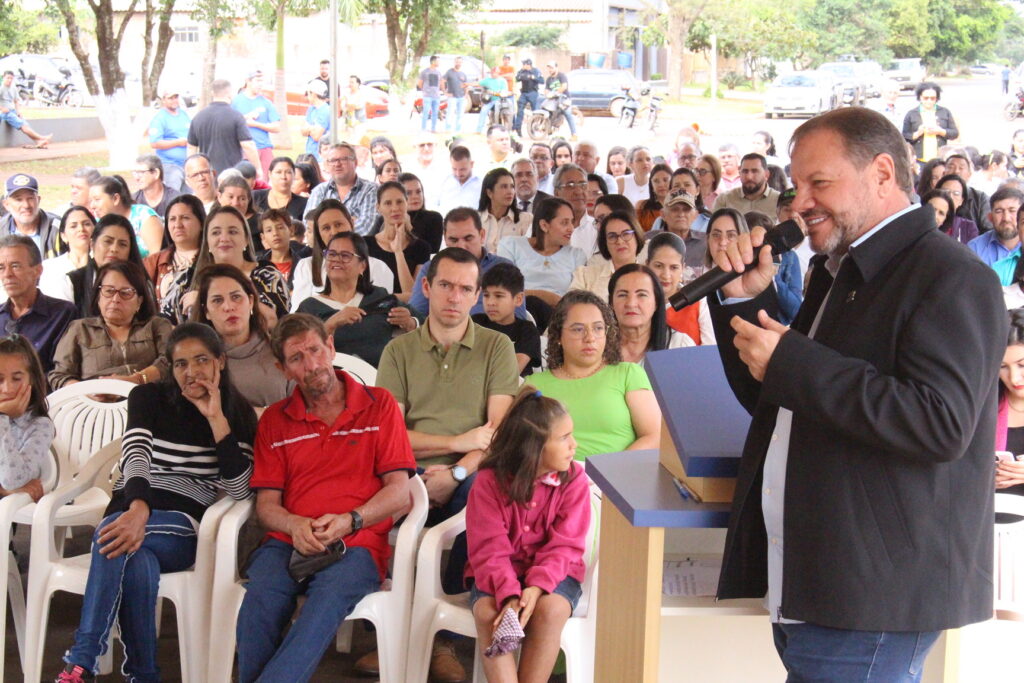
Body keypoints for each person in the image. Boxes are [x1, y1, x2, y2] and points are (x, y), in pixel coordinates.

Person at [707, 106, 1005, 680]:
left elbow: (940, 422)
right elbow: (782, 400)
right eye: (797, 186)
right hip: (818, 581)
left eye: (820, 182)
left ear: (883, 174)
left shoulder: (952, 277)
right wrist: (746, 302)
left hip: (873, 595)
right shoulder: (838, 269)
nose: (801, 203)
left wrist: (795, 361)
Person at [52, 322, 256, 683]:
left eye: (201, 360)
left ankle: (83, 659)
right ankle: (143, 675)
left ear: (220, 362)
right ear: (170, 368)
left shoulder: (238, 414)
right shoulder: (148, 399)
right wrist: (138, 508)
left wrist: (216, 419)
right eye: (180, 364)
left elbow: (240, 490)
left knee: (109, 539)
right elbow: (135, 457)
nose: (191, 372)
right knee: (135, 559)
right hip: (133, 505)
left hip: (181, 524)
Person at [236, 313, 414, 683]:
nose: (312, 364)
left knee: (325, 602)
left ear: (331, 348)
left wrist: (351, 520)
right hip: (287, 541)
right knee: (260, 601)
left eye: (315, 350)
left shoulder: (379, 405)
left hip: (357, 542)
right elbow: (267, 506)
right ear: (283, 369)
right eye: (297, 358)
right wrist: (295, 524)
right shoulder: (274, 420)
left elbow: (399, 492)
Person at [374, 247, 517, 682]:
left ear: (476, 295)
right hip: (407, 469)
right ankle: (394, 627)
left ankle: (441, 640)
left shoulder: (497, 346)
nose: (455, 297)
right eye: (446, 286)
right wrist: (454, 443)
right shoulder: (398, 351)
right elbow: (390, 437)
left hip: (473, 473)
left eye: (465, 289)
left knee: (482, 498)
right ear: (427, 288)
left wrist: (457, 470)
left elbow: (496, 434)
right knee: (375, 493)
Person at [466, 387, 590, 683]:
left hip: (555, 574)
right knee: (488, 612)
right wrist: (509, 594)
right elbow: (489, 549)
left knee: (550, 610)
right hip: (497, 575)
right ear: (533, 447)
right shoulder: (487, 482)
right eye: (563, 438)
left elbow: (566, 546)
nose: (574, 445)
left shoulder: (574, 481)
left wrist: (536, 587)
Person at [529, 290, 660, 458]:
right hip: (554, 479)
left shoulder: (628, 374)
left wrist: (611, 471)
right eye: (578, 329)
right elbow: (524, 446)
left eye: (598, 328)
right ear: (558, 336)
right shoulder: (534, 385)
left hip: (616, 477)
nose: (590, 337)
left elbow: (654, 436)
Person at [296, 231, 416, 367]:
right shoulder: (309, 307)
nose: (336, 259)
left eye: (345, 255)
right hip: (328, 383)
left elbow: (422, 322)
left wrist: (410, 323)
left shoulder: (379, 298)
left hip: (379, 381)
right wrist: (329, 325)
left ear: (362, 266)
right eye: (332, 254)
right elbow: (295, 349)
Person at [49, 261, 171, 389]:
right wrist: (90, 393)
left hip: (148, 401)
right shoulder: (80, 329)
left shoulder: (157, 326)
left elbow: (170, 361)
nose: (115, 299)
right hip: (94, 405)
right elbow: (59, 376)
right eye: (109, 291)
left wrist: (137, 380)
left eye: (125, 292)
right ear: (98, 297)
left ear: (139, 302)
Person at [190, 264, 292, 412]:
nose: (229, 307)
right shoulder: (199, 361)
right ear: (206, 311)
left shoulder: (280, 349)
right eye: (217, 300)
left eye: (236, 297)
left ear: (251, 301)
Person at [408, 207, 527, 321]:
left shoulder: (504, 269)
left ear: (482, 235)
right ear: (445, 239)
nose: (461, 246)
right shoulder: (430, 269)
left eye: (468, 238)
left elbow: (517, 319)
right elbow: (416, 315)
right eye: (453, 240)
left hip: (493, 338)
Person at [180, 206, 289, 327]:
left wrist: (203, 299)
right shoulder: (187, 279)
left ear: (246, 239)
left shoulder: (267, 274)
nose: (224, 238)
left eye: (232, 232)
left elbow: (275, 322)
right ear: (207, 242)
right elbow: (166, 325)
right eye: (216, 233)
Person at [0, 235, 77, 374]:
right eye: (1, 267)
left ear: (37, 270)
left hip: (47, 394)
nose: (7, 274)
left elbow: (62, 371)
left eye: (15, 266)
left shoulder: (63, 313)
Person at [497, 198, 588, 314]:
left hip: (560, 316)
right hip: (518, 313)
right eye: (564, 223)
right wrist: (549, 297)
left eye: (572, 222)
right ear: (544, 225)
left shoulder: (576, 255)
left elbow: (577, 297)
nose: (571, 228)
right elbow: (504, 289)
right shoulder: (511, 246)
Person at [62, 214, 146, 320]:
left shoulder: (140, 283)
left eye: (122, 244)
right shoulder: (71, 283)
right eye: (108, 242)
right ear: (92, 244)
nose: (114, 249)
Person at [0, 334, 52, 503]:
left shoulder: (40, 425)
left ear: (32, 380)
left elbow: (12, 480)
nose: (7, 389)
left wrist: (2, 417)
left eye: (16, 379)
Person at [609, 263, 695, 362]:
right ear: (611, 303)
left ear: (656, 303)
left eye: (641, 295)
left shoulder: (679, 346)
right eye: (622, 295)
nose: (631, 304)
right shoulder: (598, 346)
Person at [646, 231, 715, 345]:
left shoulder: (697, 302)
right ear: (647, 265)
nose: (666, 275)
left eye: (674, 267)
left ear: (683, 268)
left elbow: (710, 354)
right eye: (658, 266)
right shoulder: (637, 303)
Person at [472, 263, 541, 376]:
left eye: (498, 296)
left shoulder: (527, 331)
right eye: (486, 295)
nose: (490, 302)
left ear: (518, 299)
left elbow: (510, 373)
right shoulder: (475, 323)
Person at [143, 195, 205, 322]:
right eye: (172, 219)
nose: (177, 225)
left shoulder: (213, 259)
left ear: (202, 223)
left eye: (185, 218)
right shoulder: (153, 262)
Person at [188, 79, 262, 182]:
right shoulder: (236, 117)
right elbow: (248, 145)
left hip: (207, 175)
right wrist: (258, 169)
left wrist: (193, 171)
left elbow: (191, 148)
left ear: (212, 93)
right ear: (230, 94)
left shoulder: (198, 117)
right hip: (231, 176)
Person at [368, 182, 432, 297]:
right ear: (378, 207)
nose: (395, 208)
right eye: (388, 203)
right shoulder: (365, 245)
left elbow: (413, 296)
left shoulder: (421, 248)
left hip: (407, 313)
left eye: (399, 202)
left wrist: (398, 252)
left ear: (406, 203)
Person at [304, 143, 379, 236]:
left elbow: (366, 227)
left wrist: (326, 228)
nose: (337, 164)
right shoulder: (319, 191)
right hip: (322, 249)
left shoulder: (371, 190)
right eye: (333, 160)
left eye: (343, 159)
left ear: (355, 163)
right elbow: (309, 226)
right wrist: (349, 221)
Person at [743, 210, 802, 326]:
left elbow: (795, 311)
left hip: (776, 326)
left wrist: (774, 276)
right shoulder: (740, 259)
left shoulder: (788, 257)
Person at [570, 211, 644, 301]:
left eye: (626, 234)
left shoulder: (650, 278)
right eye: (612, 236)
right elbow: (572, 310)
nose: (619, 241)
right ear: (605, 243)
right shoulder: (585, 276)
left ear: (637, 236)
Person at [89, 175, 163, 258]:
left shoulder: (143, 216)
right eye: (91, 201)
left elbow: (157, 257)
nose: (92, 206)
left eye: (97, 200)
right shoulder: (97, 222)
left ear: (116, 199)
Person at [231, 70, 281, 178]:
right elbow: (228, 124)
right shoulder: (236, 101)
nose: (260, 84)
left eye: (262, 81)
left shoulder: (266, 102)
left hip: (264, 148)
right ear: (248, 81)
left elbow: (277, 127)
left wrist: (256, 124)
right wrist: (245, 118)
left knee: (264, 182)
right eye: (257, 81)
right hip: (243, 150)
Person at [39, 206, 94, 301]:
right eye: (73, 226)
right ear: (63, 236)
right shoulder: (50, 268)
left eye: (86, 224)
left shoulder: (104, 266)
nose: (81, 229)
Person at [2, 174, 60, 260]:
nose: (26, 205)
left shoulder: (59, 227)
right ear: (6, 205)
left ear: (38, 200)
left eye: (30, 198)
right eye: (19, 200)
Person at [147, 84, 190, 190]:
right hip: (170, 165)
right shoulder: (159, 118)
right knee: (172, 196)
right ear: (163, 100)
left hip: (187, 164)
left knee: (190, 197)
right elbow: (155, 143)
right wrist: (178, 143)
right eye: (170, 98)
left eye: (176, 97)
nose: (174, 100)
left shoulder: (184, 114)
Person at [479, 167, 532, 253]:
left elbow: (528, 255)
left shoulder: (525, 219)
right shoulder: (475, 219)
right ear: (489, 193)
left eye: (512, 187)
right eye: (504, 187)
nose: (510, 191)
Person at [903, 82, 958, 163]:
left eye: (932, 98)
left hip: (940, 159)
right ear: (920, 97)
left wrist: (940, 131)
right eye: (926, 98)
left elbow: (954, 133)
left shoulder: (944, 112)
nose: (929, 101)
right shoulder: (911, 114)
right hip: (919, 159)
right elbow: (904, 136)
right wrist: (918, 133)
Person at [969, 186, 1023, 267]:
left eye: (1012, 211)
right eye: (999, 211)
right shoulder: (975, 248)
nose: (1006, 218)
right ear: (990, 217)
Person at [258, 208, 310, 291]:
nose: (275, 233)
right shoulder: (257, 266)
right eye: (269, 230)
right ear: (263, 237)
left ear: (291, 230)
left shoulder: (303, 265)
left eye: (280, 227)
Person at [713, 153, 781, 215]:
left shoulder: (779, 201)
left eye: (755, 171)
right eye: (745, 171)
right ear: (739, 173)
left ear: (766, 175)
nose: (749, 177)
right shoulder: (725, 200)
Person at [0, 70, 52, 149]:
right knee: (23, 126)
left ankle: (38, 141)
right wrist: (2, 108)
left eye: (11, 78)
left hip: (13, 111)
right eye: (8, 78)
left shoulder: (13, 88)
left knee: (25, 124)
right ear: (3, 78)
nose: (9, 80)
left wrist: (18, 111)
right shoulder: (1, 88)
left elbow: (16, 101)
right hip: (6, 113)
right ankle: (41, 138)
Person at [660, 189, 707, 270]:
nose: (681, 214)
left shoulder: (706, 242)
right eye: (675, 209)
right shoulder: (648, 240)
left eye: (686, 209)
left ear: (695, 215)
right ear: (663, 214)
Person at [252, 157, 308, 222]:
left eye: (288, 172)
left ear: (294, 175)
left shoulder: (304, 204)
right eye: (278, 172)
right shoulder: (255, 197)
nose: (283, 177)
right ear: (270, 174)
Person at [398, 172, 443, 252]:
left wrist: (409, 230)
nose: (415, 196)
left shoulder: (434, 218)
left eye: (418, 192)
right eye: (408, 193)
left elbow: (431, 251)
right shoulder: (386, 218)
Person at [434, 145, 482, 217]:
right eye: (454, 169)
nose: (458, 173)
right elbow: (434, 204)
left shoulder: (481, 183)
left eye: (462, 169)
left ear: (471, 164)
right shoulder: (443, 181)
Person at [932, 175, 980, 245]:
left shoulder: (969, 227)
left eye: (956, 193)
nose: (950, 197)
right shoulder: (926, 219)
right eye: (945, 192)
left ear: (962, 200)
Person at [131, 154, 180, 219]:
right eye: (135, 173)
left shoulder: (176, 199)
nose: (137, 178)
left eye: (141, 172)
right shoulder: (133, 202)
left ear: (156, 173)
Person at [541, 62, 577, 139]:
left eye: (552, 68)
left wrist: (556, 92)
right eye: (549, 68)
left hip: (564, 99)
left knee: (568, 114)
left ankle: (574, 134)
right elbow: (546, 90)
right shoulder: (548, 79)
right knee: (547, 111)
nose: (550, 70)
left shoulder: (561, 76)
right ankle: (549, 128)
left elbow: (564, 86)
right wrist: (547, 94)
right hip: (553, 100)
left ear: (556, 68)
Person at [300, 80, 331, 163]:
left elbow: (317, 136)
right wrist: (312, 129)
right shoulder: (311, 109)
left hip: (321, 157)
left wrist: (309, 128)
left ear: (313, 93)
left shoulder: (326, 110)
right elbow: (303, 131)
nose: (307, 96)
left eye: (308, 93)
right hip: (309, 154)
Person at [635, 163, 672, 232]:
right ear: (651, 185)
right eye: (656, 181)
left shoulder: (681, 207)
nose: (661, 184)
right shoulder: (641, 205)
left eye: (665, 180)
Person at [513, 58, 543, 137]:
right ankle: (518, 128)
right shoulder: (522, 71)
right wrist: (522, 75)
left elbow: (542, 81)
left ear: (528, 64)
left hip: (533, 92)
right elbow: (516, 79)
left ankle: (533, 129)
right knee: (520, 111)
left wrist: (533, 77)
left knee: (535, 112)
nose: (523, 66)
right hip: (524, 93)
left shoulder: (536, 71)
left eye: (524, 64)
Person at [476, 67, 510, 134]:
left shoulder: (502, 81)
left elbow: (504, 92)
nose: (493, 74)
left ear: (498, 73)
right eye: (492, 72)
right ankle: (478, 130)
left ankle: (508, 129)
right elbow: (478, 83)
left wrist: (496, 93)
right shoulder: (487, 80)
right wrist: (467, 84)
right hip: (491, 100)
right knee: (483, 110)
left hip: (501, 100)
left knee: (511, 110)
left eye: (495, 73)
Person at [443, 57, 469, 133]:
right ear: (454, 62)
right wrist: (445, 92)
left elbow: (466, 85)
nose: (458, 63)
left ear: (462, 63)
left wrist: (466, 94)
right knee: (450, 113)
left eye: (460, 62)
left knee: (460, 114)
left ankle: (458, 130)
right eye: (457, 62)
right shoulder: (449, 72)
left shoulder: (463, 74)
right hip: (452, 97)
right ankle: (448, 129)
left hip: (461, 97)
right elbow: (442, 81)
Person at [418, 55, 443, 133]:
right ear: (433, 61)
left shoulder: (438, 72)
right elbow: (420, 83)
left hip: (436, 96)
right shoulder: (425, 72)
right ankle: (423, 129)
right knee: (426, 112)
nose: (439, 63)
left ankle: (433, 129)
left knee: (435, 113)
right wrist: (424, 91)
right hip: (427, 96)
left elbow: (440, 83)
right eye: (438, 61)